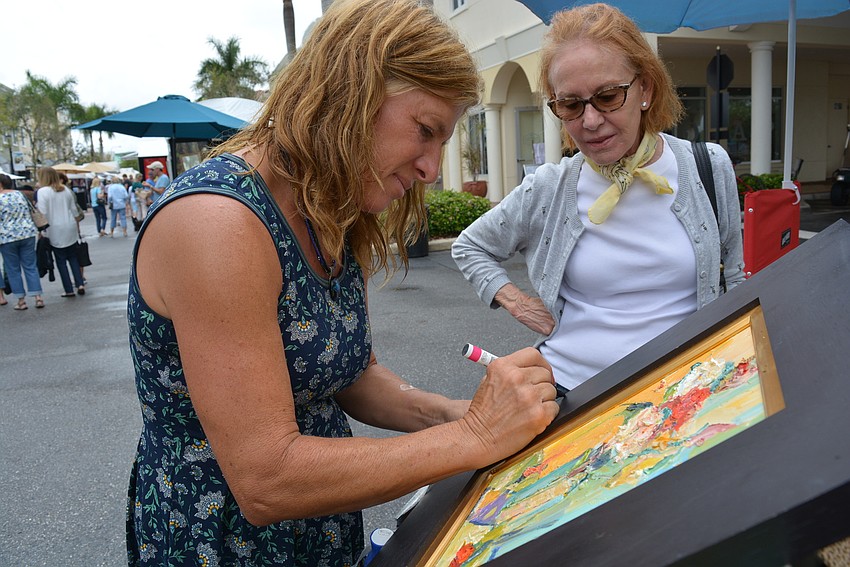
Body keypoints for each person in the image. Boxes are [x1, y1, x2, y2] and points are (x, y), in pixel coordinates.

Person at [125, 1, 559, 564]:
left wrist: (454, 413)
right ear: (350, 95)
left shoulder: (324, 206)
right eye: (425, 130)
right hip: (223, 543)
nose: (431, 167)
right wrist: (474, 436)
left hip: (319, 532)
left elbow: (350, 375)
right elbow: (266, 477)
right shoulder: (218, 223)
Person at [452, 3, 744, 393]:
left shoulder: (708, 167)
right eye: (571, 104)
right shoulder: (549, 188)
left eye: (608, 97)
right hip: (573, 397)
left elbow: (736, 279)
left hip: (685, 393)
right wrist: (516, 301)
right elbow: (469, 246)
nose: (589, 122)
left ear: (645, 89)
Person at [36, 167, 85, 297]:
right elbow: (74, 210)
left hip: (54, 229)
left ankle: (68, 289)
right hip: (70, 226)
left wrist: (41, 231)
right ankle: (79, 283)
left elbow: (43, 212)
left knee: (60, 260)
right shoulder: (66, 190)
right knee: (73, 257)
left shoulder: (43, 192)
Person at [0, 173, 45, 309]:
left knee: (13, 269)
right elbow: (31, 211)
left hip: (6, 237)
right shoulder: (21, 195)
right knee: (30, 266)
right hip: (27, 233)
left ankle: (21, 300)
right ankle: (38, 297)